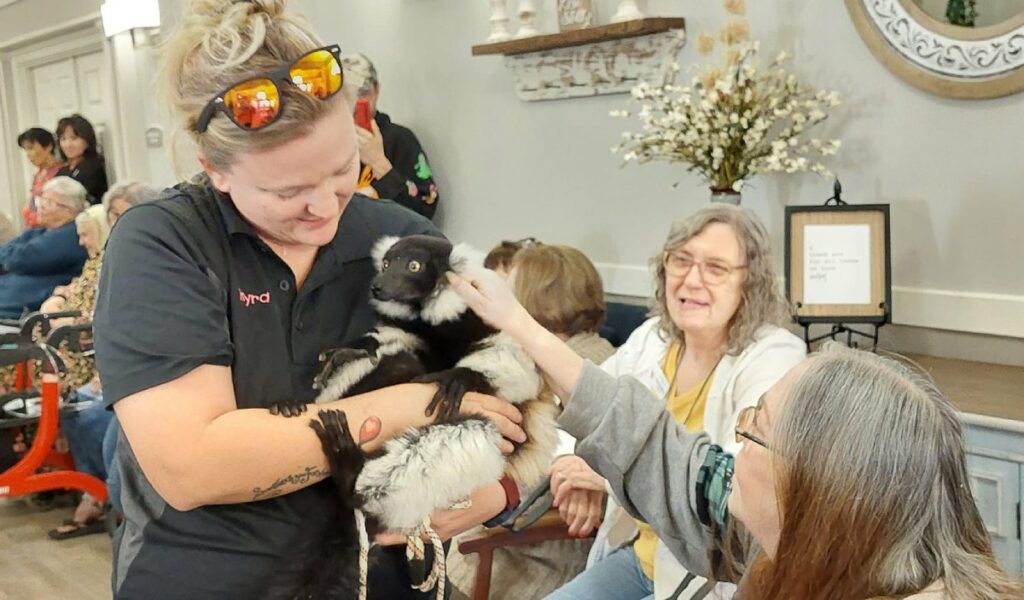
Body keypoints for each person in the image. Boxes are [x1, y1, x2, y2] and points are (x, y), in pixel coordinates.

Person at [93, 2, 523, 598]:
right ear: (214, 170)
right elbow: (194, 467)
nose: (324, 206)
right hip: (212, 576)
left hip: (385, 576)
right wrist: (416, 404)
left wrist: (505, 488)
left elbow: (505, 383)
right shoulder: (164, 243)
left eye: (343, 168)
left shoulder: (398, 237)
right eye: (287, 190)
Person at [448, 269, 1024, 600]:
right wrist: (522, 326)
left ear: (817, 486)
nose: (736, 445)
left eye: (755, 427)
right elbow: (664, 453)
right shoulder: (814, 544)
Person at [546, 205, 805, 599]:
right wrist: (568, 460)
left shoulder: (776, 356)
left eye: (716, 268)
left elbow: (736, 487)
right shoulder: (653, 338)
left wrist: (603, 476)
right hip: (640, 558)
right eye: (681, 261)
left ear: (749, 282)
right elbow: (580, 402)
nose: (692, 280)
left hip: (710, 577)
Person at [448, 244, 615, 600]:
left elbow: (543, 465)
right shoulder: (548, 354)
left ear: (538, 297)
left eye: (512, 288)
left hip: (529, 549)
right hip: (497, 527)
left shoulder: (583, 367)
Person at [340, 53, 440, 219]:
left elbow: (426, 207)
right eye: (348, 94)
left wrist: (379, 163)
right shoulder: (328, 143)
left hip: (392, 240)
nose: (357, 103)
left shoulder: (400, 140)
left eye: (364, 92)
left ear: (377, 90)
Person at [0, 176, 89, 318]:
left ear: (70, 210)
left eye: (49, 202)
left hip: (22, 316)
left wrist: (8, 258)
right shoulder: (36, 232)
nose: (40, 206)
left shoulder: (72, 234)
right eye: (41, 200)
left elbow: (21, 258)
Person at [55, 114, 109, 204]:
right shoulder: (63, 171)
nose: (68, 144)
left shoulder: (92, 167)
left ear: (87, 140)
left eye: (74, 138)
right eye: (63, 139)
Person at [17, 127, 64, 228]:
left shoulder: (61, 173)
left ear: (48, 147)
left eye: (31, 148)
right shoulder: (37, 175)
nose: (28, 155)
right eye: (25, 150)